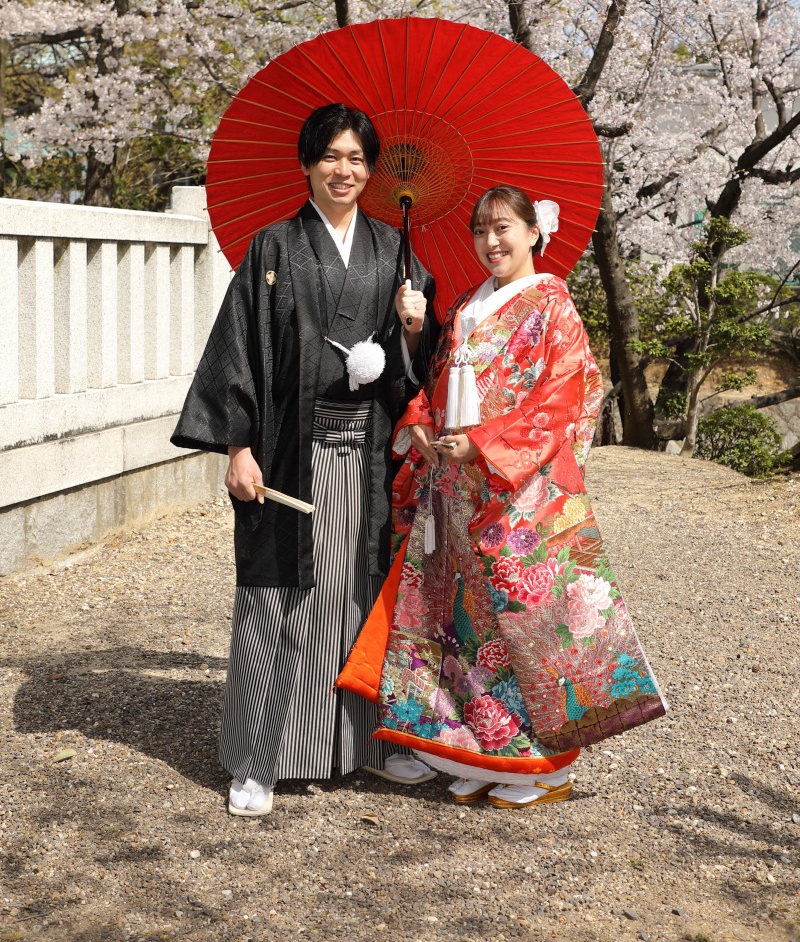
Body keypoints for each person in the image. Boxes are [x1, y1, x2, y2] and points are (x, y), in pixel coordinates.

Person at [339, 185, 666, 808]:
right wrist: (422, 419)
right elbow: (435, 381)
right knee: (466, 626)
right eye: (481, 230)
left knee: (526, 628)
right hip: (455, 487)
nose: (492, 241)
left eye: (504, 228)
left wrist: (485, 444)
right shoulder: (468, 302)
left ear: (534, 232)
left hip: (516, 493)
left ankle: (547, 768)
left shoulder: (552, 304)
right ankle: (486, 751)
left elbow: (564, 396)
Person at [172, 103, 438, 815]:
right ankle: (257, 760)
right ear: (307, 163)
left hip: (367, 459)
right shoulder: (274, 248)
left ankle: (369, 744)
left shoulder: (396, 252)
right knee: (279, 599)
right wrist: (237, 447)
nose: (343, 170)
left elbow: (416, 369)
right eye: (331, 156)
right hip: (290, 453)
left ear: (371, 170)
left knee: (358, 593)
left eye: (357, 159)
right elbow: (239, 350)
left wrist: (413, 330)